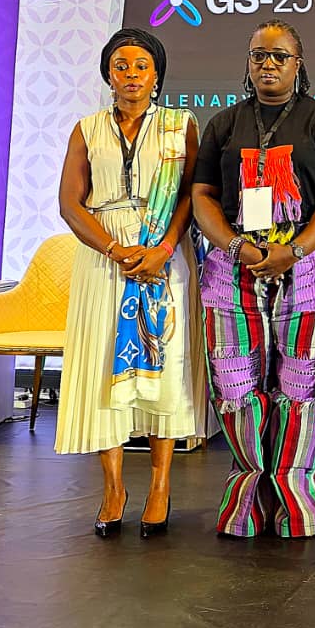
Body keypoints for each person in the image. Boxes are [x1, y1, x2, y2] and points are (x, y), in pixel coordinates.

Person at [192, 19, 315, 539]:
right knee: (235, 385)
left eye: (279, 56)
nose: (268, 64)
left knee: (303, 387)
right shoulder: (224, 124)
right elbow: (202, 197)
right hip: (233, 268)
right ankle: (248, 501)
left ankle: (297, 503)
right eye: (259, 55)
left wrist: (295, 250)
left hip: (309, 268)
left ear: (298, 64)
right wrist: (236, 246)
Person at [56, 27, 205, 538]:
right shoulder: (87, 129)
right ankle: (113, 488)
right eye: (121, 66)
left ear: (157, 75)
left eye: (142, 66)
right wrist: (114, 249)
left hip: (164, 255)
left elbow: (191, 195)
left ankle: (160, 486)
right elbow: (70, 203)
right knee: (104, 364)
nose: (131, 75)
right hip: (104, 260)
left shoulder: (180, 125)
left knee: (166, 365)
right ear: (108, 75)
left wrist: (163, 249)